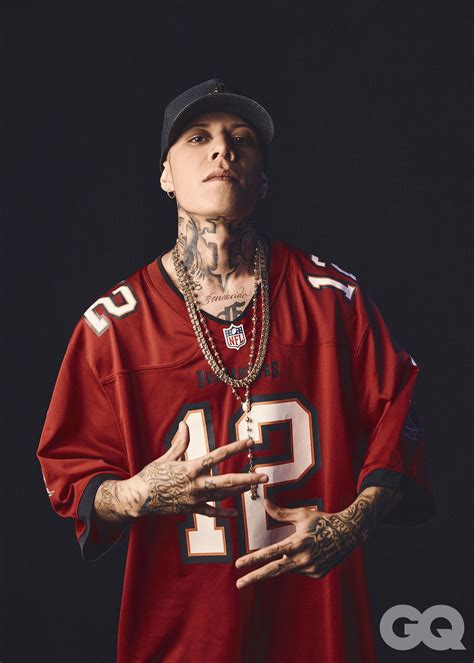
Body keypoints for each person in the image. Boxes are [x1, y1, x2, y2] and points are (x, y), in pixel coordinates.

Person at [36, 78, 436, 663]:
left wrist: (353, 523)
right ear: (166, 175)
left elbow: (401, 417)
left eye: (241, 139)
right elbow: (71, 478)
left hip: (316, 634)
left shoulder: (333, 299)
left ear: (263, 179)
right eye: (198, 138)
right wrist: (137, 492)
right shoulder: (113, 327)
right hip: (184, 637)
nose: (223, 150)